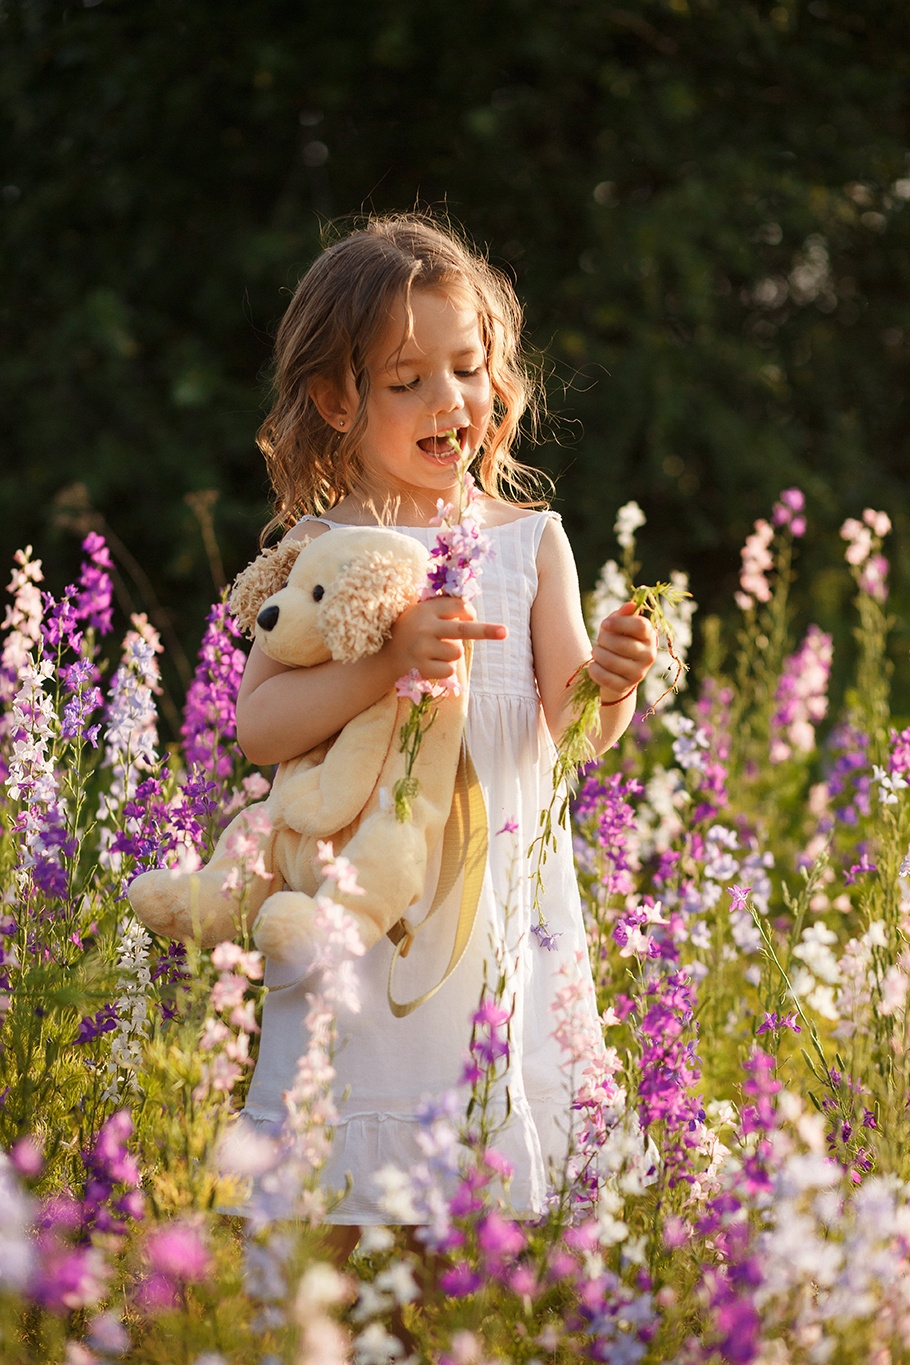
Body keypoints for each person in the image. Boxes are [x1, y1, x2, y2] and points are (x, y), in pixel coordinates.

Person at [235, 213, 657, 1295]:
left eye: (465, 370)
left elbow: (572, 735)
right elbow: (262, 725)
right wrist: (386, 664)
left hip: (504, 926)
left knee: (485, 1209)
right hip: (364, 927)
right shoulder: (324, 552)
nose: (448, 403)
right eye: (407, 380)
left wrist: (608, 679)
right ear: (337, 401)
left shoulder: (531, 541)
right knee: (342, 1202)